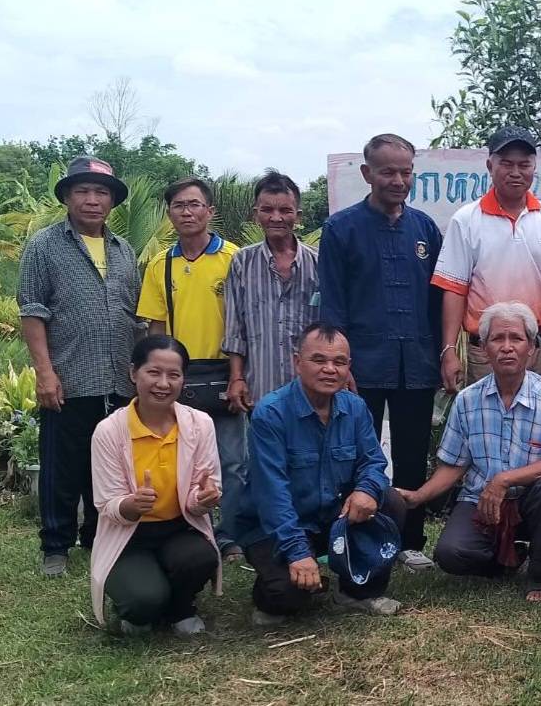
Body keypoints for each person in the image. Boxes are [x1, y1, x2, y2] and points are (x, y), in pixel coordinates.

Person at [397, 302, 541, 602]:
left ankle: (539, 569)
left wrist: (504, 480)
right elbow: (454, 465)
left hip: (532, 501)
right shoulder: (468, 400)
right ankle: (506, 558)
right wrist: (418, 497)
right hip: (481, 503)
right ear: (483, 347)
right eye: (497, 339)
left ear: (532, 347)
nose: (506, 347)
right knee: (450, 554)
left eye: (516, 338)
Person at [319, 133, 442, 573]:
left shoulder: (425, 229)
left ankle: (409, 541)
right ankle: (357, 534)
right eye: (388, 171)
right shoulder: (341, 229)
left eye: (406, 171)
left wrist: (444, 353)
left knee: (412, 452)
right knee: (357, 453)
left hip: (417, 363)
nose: (398, 180)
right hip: (363, 365)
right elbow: (332, 303)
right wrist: (340, 364)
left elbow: (438, 302)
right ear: (367, 173)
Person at [17, 156, 141, 577]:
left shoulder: (124, 250)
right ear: (68, 197)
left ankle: (96, 537)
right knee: (61, 465)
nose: (92, 200)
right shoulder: (45, 245)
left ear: (112, 200)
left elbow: (134, 315)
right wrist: (44, 372)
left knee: (106, 465)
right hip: (69, 376)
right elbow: (32, 311)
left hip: (118, 379)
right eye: (83, 191)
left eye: (101, 192)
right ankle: (55, 545)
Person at [235, 323, 406, 625]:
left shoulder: (355, 408)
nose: (330, 369)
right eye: (319, 360)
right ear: (297, 361)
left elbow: (373, 463)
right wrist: (297, 552)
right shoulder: (270, 413)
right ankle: (275, 587)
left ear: (348, 367)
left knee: (389, 502)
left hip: (330, 516)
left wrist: (366, 490)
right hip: (276, 525)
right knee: (285, 597)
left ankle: (357, 592)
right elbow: (272, 494)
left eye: (339, 362)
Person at [137, 177, 246, 560]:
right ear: (170, 214)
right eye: (179, 205)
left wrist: (240, 374)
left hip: (224, 370)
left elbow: (244, 321)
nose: (188, 211)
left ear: (209, 211)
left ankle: (230, 535)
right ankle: (187, 528)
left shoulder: (234, 257)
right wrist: (156, 380)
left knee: (232, 462)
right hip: (178, 377)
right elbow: (155, 327)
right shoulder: (159, 265)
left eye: (195, 204)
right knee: (179, 459)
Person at [89, 335, 222, 635]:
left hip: (178, 527)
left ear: (183, 379)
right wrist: (131, 505)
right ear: (134, 372)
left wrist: (204, 499)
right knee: (143, 601)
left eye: (173, 375)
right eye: (154, 372)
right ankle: (139, 604)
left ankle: (180, 608)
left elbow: (201, 492)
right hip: (129, 536)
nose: (163, 383)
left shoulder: (200, 424)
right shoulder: (109, 432)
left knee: (200, 558)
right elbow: (106, 504)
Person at [432, 126, 541, 390]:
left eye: (524, 164)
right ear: (489, 165)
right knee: (486, 426)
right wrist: (448, 351)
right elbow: (454, 290)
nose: (515, 172)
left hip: (540, 351)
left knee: (538, 429)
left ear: (534, 168)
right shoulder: (467, 220)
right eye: (506, 163)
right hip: (486, 353)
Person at [222, 170, 321, 410]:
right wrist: (236, 378)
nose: (276, 218)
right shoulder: (241, 262)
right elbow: (235, 328)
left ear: (297, 216)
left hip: (310, 390)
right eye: (267, 210)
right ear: (256, 214)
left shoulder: (319, 263)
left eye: (285, 210)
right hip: (259, 389)